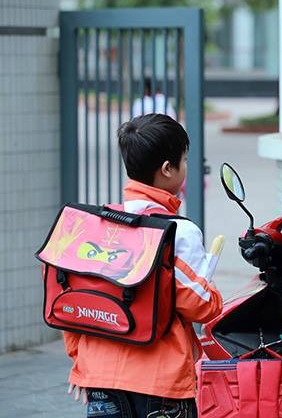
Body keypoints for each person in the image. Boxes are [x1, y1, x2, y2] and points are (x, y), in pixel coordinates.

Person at [64, 113, 223, 418]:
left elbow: (70, 302)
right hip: (158, 384)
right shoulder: (178, 231)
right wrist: (210, 291)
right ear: (167, 169)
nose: (186, 167)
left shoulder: (98, 227)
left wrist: (81, 363)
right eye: (185, 160)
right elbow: (201, 307)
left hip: (99, 379)